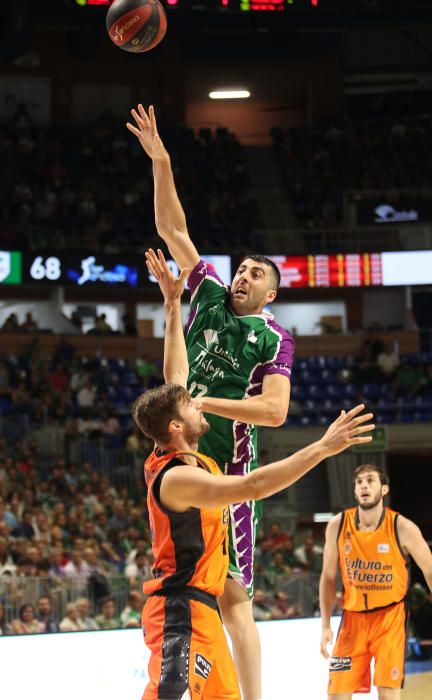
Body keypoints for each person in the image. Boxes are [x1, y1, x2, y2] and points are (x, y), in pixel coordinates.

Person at [131, 251, 374, 700]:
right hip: (182, 611)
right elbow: (252, 485)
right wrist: (321, 447)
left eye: (254, 272)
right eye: (191, 404)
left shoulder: (188, 460)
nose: (197, 399)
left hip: (199, 608)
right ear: (177, 427)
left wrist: (170, 305)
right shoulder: (182, 477)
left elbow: (177, 378)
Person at [129, 104, 294, 700]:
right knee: (186, 582)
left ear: (271, 291)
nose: (244, 276)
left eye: (256, 274)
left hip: (228, 465)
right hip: (181, 458)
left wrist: (211, 403)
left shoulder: (274, 337)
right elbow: (173, 230)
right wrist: (162, 163)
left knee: (234, 596)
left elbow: (275, 412)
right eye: (243, 269)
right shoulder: (211, 296)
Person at [319, 463, 432, 699]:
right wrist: (325, 624)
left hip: (390, 620)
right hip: (351, 622)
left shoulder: (403, 528)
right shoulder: (337, 525)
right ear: (355, 491)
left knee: (387, 695)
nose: (364, 485)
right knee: (336, 694)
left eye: (370, 480)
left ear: (384, 489)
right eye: (359, 482)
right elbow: (327, 578)